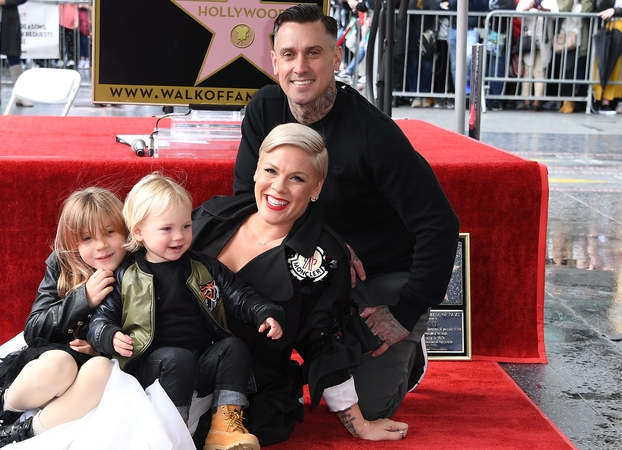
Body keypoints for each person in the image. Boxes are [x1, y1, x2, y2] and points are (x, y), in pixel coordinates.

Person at [233, 3, 460, 423]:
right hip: (312, 263)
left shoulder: (374, 134)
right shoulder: (264, 109)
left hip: (376, 277)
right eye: (289, 54)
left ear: (336, 57)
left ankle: (409, 350)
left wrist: (406, 311)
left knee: (368, 408)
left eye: (314, 53)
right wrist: (329, 245)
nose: (300, 66)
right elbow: (246, 202)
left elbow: (439, 223)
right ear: (274, 61)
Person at [193, 123, 410, 446]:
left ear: (317, 187)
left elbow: (322, 342)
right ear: (255, 171)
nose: (278, 188)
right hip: (176, 361)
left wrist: (359, 423)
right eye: (270, 170)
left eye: (297, 178)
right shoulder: (213, 215)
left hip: (249, 388)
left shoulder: (326, 257)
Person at [88, 173, 285, 450]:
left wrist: (263, 311)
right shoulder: (127, 275)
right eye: (166, 229)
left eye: (186, 226)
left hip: (200, 363)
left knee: (233, 346)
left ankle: (225, 426)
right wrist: (109, 335)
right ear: (138, 232)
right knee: (177, 358)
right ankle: (173, 431)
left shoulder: (203, 266)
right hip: (150, 367)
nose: (179, 236)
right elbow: (101, 319)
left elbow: (237, 292)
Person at [0, 187, 128, 449]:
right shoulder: (63, 264)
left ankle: (15, 436)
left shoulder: (137, 272)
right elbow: (34, 328)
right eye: (87, 238)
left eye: (110, 232)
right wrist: (83, 299)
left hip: (93, 374)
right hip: (52, 361)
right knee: (60, 362)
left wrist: (102, 346)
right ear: (73, 245)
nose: (101, 245)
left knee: (103, 370)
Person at [516, 0, 560, 111]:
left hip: (543, 38)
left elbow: (557, 14)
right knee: (527, 70)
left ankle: (537, 101)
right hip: (528, 37)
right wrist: (528, 7)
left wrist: (545, 10)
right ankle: (526, 100)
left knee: (540, 71)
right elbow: (517, 13)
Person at [593, 0, 622, 114]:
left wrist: (615, 11)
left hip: (616, 26)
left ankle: (608, 101)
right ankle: (603, 101)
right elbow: (600, 6)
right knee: (610, 65)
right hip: (613, 28)